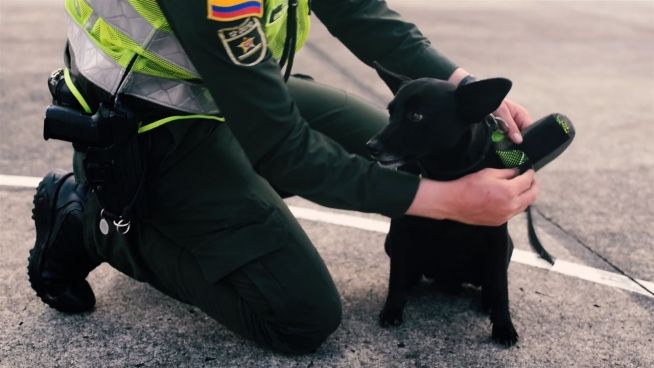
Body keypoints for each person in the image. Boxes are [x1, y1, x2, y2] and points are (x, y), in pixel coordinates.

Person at [28, 0, 538, 354]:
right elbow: (283, 149)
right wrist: (447, 201)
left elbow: (359, 13)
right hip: (154, 127)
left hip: (231, 96)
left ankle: (222, 206)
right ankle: (91, 219)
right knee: (298, 316)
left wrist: (464, 87)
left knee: (406, 152)